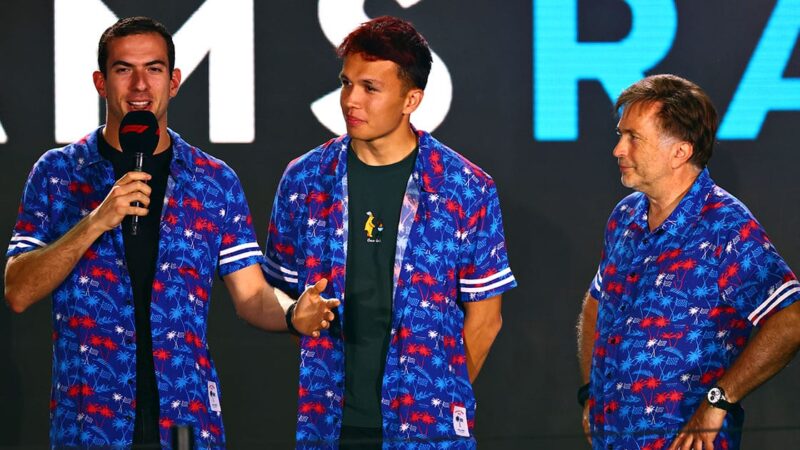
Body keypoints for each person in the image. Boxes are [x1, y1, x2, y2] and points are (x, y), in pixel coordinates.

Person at [4, 16, 338, 449]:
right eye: (124, 70)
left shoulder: (213, 180)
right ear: (100, 83)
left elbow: (252, 296)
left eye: (154, 69)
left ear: (174, 80)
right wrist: (95, 221)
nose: (140, 85)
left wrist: (293, 313)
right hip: (90, 424)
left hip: (186, 422)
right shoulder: (57, 174)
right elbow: (18, 290)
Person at [264, 16, 516, 449]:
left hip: (429, 431)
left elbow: (486, 318)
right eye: (346, 83)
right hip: (328, 427)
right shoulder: (304, 179)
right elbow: (279, 294)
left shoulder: (466, 187)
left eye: (370, 88)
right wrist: (297, 315)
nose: (350, 101)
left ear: (411, 99)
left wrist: (434, 396)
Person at [576, 74, 800, 450]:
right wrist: (590, 394)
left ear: (680, 151)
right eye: (621, 134)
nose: (618, 149)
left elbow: (791, 320)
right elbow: (597, 304)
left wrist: (719, 400)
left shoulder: (725, 226)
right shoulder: (625, 218)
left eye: (633, 137)